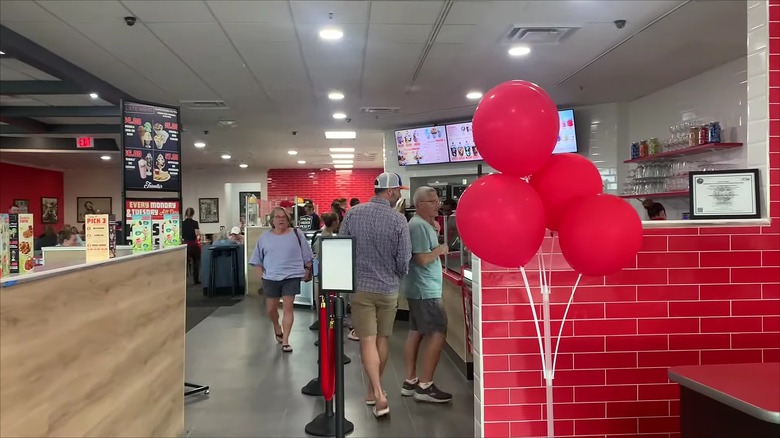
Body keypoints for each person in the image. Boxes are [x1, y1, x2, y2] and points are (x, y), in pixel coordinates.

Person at [340, 172, 412, 417]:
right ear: (390, 191)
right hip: (388, 290)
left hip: (360, 289)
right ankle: (376, 391)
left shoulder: (352, 214)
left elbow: (342, 247)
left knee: (367, 341)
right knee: (382, 339)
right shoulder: (398, 220)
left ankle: (376, 392)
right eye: (399, 190)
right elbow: (404, 260)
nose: (400, 194)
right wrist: (397, 274)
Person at [402, 187, 452, 403]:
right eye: (432, 201)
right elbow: (421, 259)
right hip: (425, 290)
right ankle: (425, 385)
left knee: (416, 331)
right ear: (420, 204)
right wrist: (440, 249)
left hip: (418, 289)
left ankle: (410, 380)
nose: (437, 204)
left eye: (437, 200)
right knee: (438, 333)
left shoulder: (421, 225)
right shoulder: (419, 227)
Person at [249, 207, 313, 353]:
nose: (281, 219)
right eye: (277, 217)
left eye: (284, 217)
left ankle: (285, 341)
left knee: (288, 307)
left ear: (288, 219)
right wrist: (262, 276)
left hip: (292, 276)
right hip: (271, 277)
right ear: (272, 220)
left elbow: (307, 255)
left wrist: (308, 270)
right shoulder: (265, 237)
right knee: (271, 309)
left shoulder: (297, 234)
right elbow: (257, 259)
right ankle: (277, 327)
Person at [182, 207, 201, 284]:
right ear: (193, 214)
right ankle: (195, 280)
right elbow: (197, 234)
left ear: (186, 214)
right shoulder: (195, 223)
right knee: (196, 262)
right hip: (193, 244)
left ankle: (184, 280)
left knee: (185, 263)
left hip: (185, 245)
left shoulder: (182, 223)